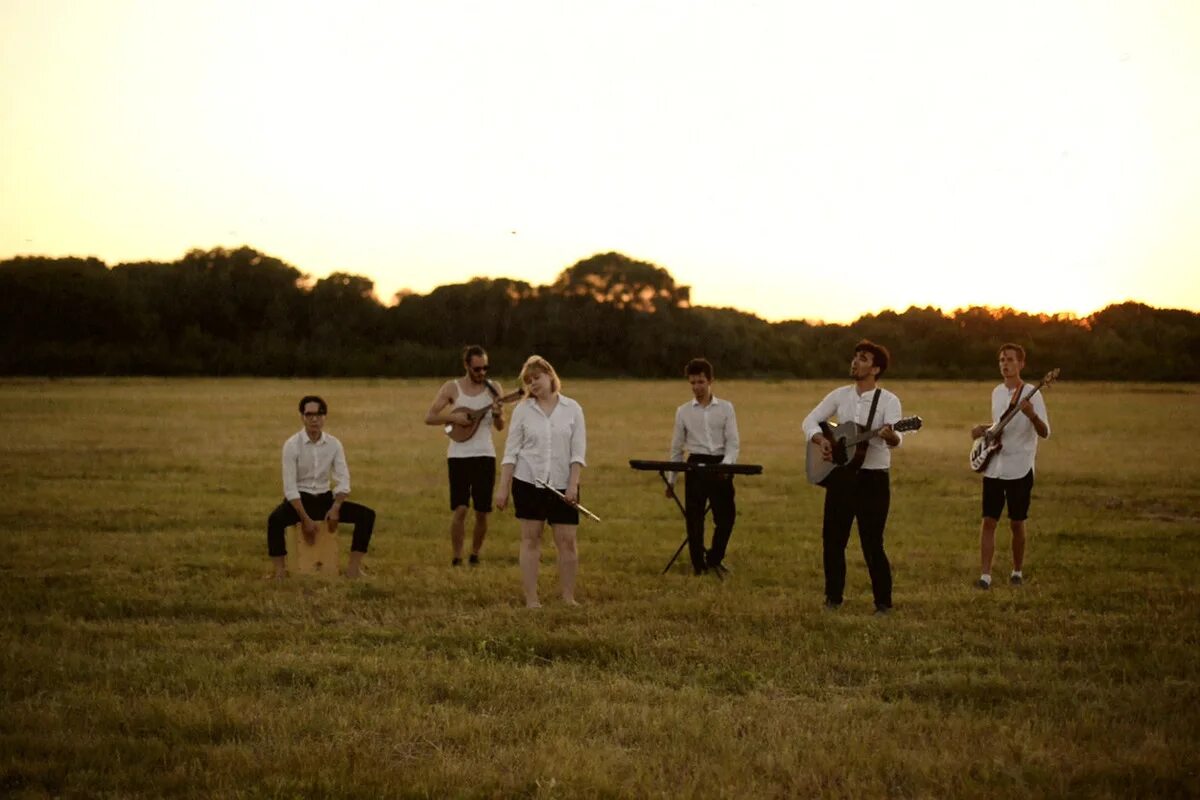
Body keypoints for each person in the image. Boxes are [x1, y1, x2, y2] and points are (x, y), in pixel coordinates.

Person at [802, 340, 903, 615]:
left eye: (864, 358)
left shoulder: (889, 401)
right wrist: (821, 439)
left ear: (876, 368)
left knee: (873, 542)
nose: (856, 362)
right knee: (833, 540)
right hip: (842, 478)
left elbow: (897, 439)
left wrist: (891, 434)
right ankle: (833, 598)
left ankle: (883, 603)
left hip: (873, 480)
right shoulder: (840, 395)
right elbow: (809, 420)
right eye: (856, 357)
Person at [493, 355, 587, 608]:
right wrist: (503, 488)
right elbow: (511, 452)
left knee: (567, 542)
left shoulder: (573, 409)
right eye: (529, 380)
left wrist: (572, 486)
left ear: (550, 376)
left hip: (563, 483)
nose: (533, 384)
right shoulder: (523, 410)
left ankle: (568, 597)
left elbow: (578, 453)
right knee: (530, 540)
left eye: (537, 378)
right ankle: (532, 600)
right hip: (528, 483)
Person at [266, 395, 376, 579]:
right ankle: (279, 571)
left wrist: (336, 507)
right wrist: (305, 519)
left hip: (325, 499)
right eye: (309, 415)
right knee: (275, 520)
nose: (314, 419)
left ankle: (354, 569)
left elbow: (343, 479)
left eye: (319, 414)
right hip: (300, 500)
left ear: (325, 417)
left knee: (367, 515)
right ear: (302, 417)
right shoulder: (292, 445)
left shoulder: (334, 444)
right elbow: (290, 488)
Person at [972, 343, 1050, 589]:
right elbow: (999, 424)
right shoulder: (996, 392)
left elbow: (1044, 432)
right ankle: (985, 576)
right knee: (988, 520)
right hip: (995, 465)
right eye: (1001, 360)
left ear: (1021, 364)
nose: (1005, 364)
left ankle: (1017, 571)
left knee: (1016, 522)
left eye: (1010, 360)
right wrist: (982, 429)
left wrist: (1031, 415)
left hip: (1020, 466)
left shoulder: (1032, 394)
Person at [424, 345, 506, 566]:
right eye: (477, 369)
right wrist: (453, 419)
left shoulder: (494, 388)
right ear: (467, 366)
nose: (482, 373)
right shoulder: (452, 388)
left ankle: (475, 554)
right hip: (458, 456)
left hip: (484, 455)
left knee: (482, 511)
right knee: (460, 508)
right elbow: (430, 417)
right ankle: (457, 556)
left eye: (485, 368)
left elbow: (500, 426)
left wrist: (498, 415)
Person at [666, 358, 741, 576]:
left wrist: (726, 467)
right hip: (695, 466)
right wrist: (672, 480)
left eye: (700, 382)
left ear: (710, 381)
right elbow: (677, 447)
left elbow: (733, 442)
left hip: (719, 464)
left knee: (726, 517)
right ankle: (698, 565)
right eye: (692, 383)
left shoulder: (726, 408)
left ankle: (714, 558)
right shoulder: (683, 412)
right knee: (695, 518)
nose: (697, 387)